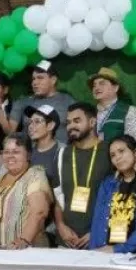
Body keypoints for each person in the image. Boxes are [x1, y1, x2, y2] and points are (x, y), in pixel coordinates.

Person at [88, 135, 136, 254]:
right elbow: (97, 222)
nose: (117, 158)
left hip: (135, 255)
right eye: (113, 155)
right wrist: (94, 253)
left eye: (121, 151)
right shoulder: (108, 184)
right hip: (103, 251)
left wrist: (119, 249)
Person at [53, 103, 111, 249]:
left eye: (77, 121)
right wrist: (60, 226)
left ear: (92, 122)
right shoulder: (62, 154)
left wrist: (98, 232)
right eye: (69, 122)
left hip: (99, 241)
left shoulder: (110, 151)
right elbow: (58, 198)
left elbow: (119, 197)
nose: (71, 126)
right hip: (66, 242)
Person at [0, 134, 52, 249]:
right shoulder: (1, 177)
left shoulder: (35, 175)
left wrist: (24, 240)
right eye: (6, 152)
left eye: (16, 152)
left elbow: (39, 212)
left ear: (28, 155)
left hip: (23, 251)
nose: (10, 156)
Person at [10, 61, 75, 143]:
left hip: (60, 152)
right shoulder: (23, 102)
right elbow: (10, 133)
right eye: (33, 79)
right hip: (30, 153)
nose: (35, 82)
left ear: (53, 80)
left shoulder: (67, 100)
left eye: (40, 78)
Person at [88, 67, 136, 141]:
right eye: (94, 85)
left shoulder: (129, 111)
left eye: (102, 83)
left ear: (115, 88)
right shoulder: (89, 113)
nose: (97, 88)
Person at [25, 105, 62, 189]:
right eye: (30, 122)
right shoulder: (27, 151)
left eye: (37, 122)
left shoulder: (62, 152)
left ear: (50, 126)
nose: (30, 126)